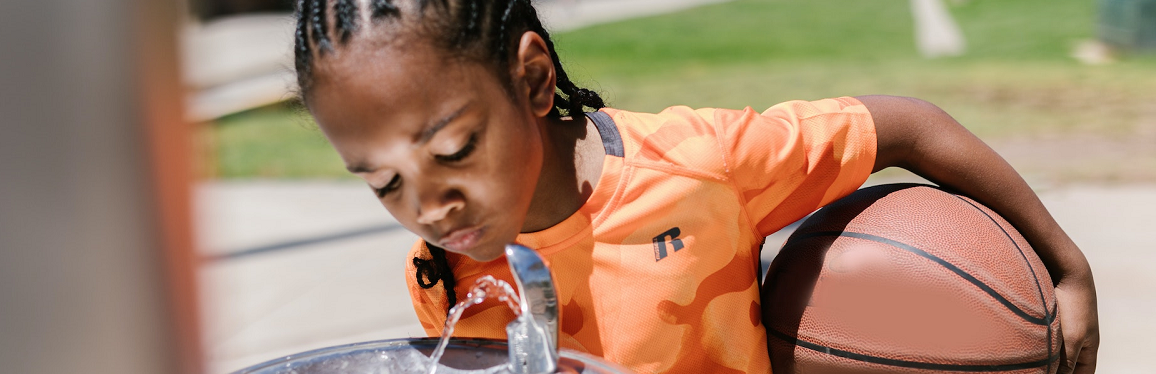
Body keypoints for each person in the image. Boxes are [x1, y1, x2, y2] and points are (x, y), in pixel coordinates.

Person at [289, 1, 1099, 373]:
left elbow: (911, 126)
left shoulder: (701, 164)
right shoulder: (445, 269)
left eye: (456, 148)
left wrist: (1067, 269)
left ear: (534, 79)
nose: (429, 206)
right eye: (384, 182)